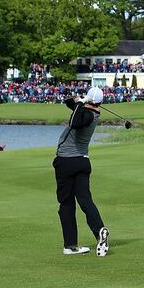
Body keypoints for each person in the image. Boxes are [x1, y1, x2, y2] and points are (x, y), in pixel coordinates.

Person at [53, 86, 109, 257]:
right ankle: (99, 230)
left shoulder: (86, 115)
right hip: (83, 162)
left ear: (89, 100)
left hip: (66, 161)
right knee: (85, 200)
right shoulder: (90, 112)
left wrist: (81, 104)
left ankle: (70, 245)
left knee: (66, 204)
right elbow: (68, 103)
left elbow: (74, 123)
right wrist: (79, 100)